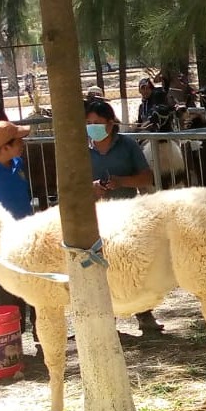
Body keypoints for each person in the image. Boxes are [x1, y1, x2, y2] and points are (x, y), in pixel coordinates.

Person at [85, 99, 163, 333]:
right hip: (95, 217)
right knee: (98, 269)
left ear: (110, 123)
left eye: (97, 123)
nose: (92, 127)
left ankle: (144, 313)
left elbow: (146, 177)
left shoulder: (128, 145)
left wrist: (121, 181)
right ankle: (106, 321)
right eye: (88, 123)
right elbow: (73, 183)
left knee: (132, 266)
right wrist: (93, 187)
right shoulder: (81, 149)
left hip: (127, 216)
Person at [0, 120, 39, 341]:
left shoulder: (16, 162)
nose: (22, 144)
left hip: (27, 235)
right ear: (5, 147)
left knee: (34, 283)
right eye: (18, 141)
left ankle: (40, 330)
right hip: (3, 241)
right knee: (9, 285)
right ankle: (10, 337)